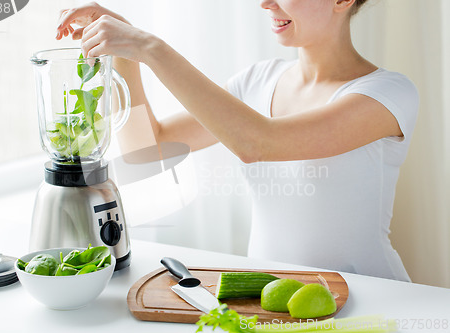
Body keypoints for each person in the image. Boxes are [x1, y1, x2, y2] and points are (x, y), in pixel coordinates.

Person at [56, 0, 418, 281]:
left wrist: (150, 47)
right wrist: (125, 52)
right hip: (266, 296)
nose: (265, 3)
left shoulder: (388, 93)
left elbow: (258, 143)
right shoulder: (257, 81)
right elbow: (147, 151)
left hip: (369, 297)